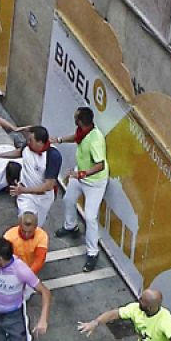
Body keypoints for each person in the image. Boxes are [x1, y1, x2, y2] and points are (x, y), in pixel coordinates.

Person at [56, 106, 108, 272]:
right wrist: (59, 139)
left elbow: (100, 165)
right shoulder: (83, 131)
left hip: (94, 182)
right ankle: (70, 226)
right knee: (68, 199)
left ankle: (93, 253)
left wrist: (83, 174)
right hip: (80, 174)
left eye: (75, 117)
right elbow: (76, 138)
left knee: (91, 217)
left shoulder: (95, 140)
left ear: (79, 121)